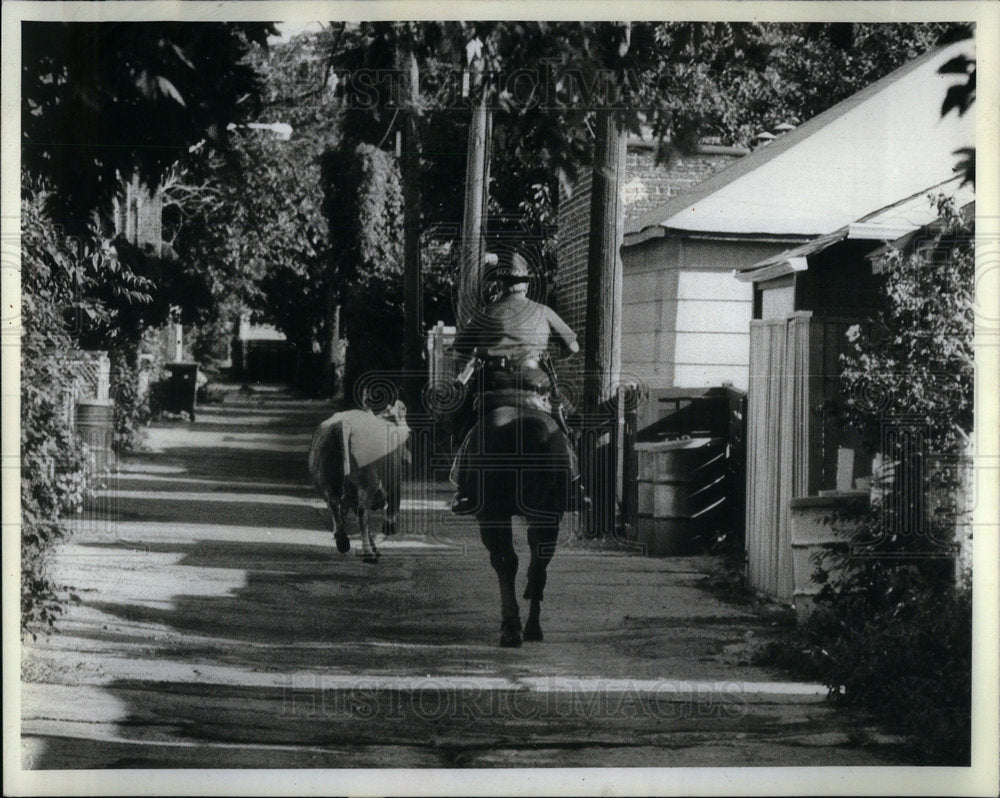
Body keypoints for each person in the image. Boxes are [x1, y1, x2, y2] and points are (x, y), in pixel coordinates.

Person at [449, 249, 590, 515]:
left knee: (468, 428)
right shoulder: (544, 311)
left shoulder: (482, 314)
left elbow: (458, 355)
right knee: (564, 431)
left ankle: (464, 488)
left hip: (493, 394)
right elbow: (573, 346)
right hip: (537, 393)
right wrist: (545, 356)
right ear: (526, 283)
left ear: (499, 284)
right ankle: (574, 486)